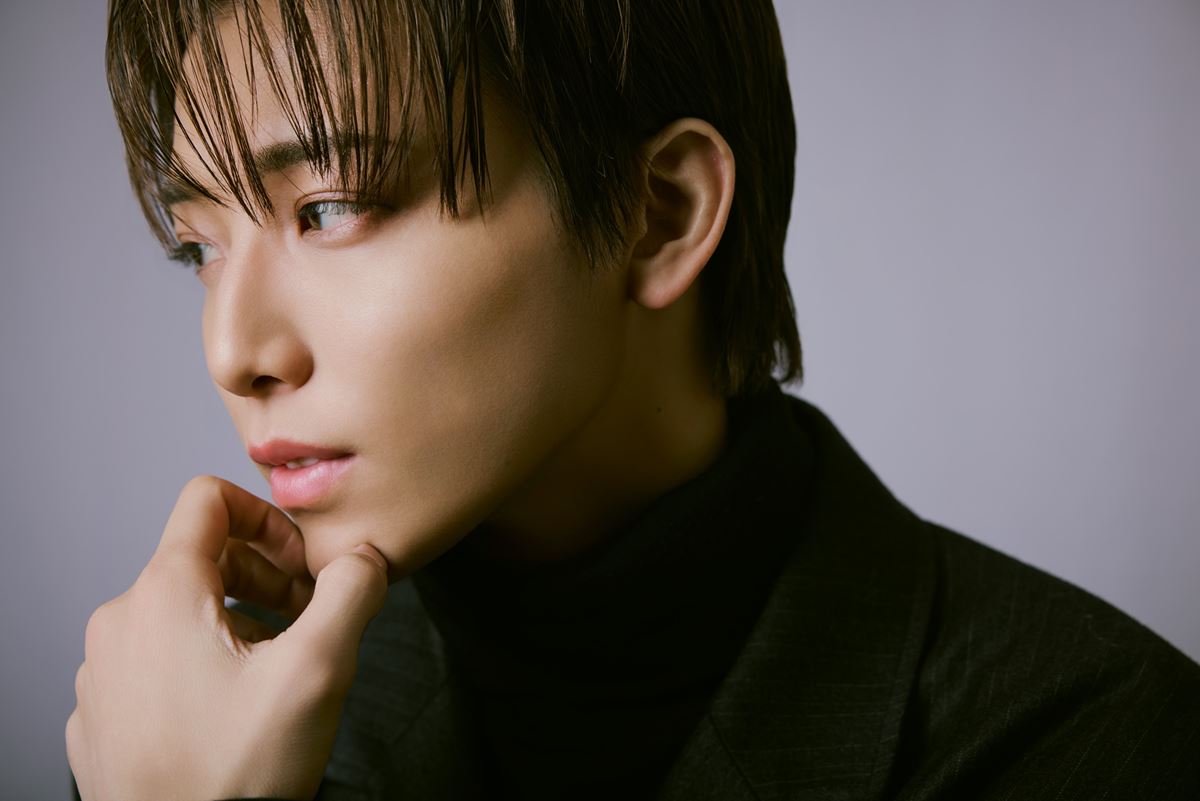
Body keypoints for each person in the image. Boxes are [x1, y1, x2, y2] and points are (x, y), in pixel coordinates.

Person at [69, 1, 1199, 799]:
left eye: (328, 208)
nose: (232, 349)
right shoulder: (198, 726)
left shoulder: (1095, 745)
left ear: (660, 213)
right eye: (196, 247)